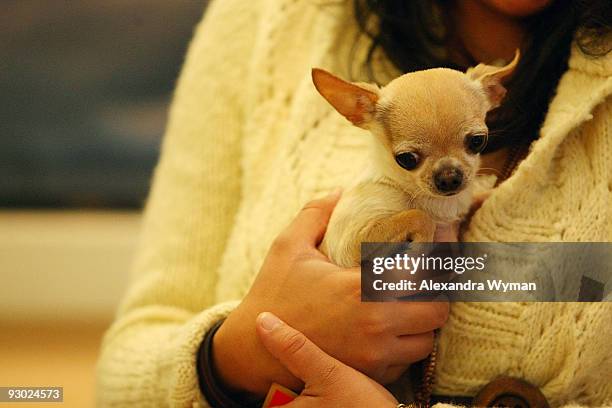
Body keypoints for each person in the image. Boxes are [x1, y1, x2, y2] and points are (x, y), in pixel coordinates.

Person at [96, 0, 611, 406]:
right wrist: (235, 354)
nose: (452, 173)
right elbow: (122, 376)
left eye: (474, 143)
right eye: (411, 158)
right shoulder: (268, 18)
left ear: (494, 93)